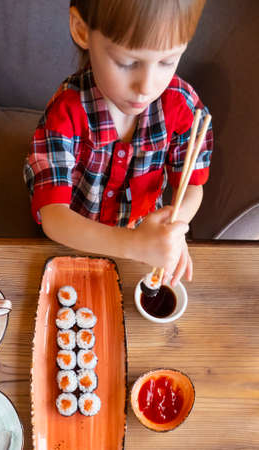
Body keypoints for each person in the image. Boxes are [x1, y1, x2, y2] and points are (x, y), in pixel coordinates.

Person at [24, 0, 213, 286]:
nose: (146, 86)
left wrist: (173, 229)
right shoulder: (67, 112)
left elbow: (192, 186)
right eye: (128, 63)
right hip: (74, 239)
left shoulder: (182, 106)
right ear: (82, 31)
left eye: (167, 61)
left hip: (142, 244)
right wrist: (135, 244)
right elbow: (54, 217)